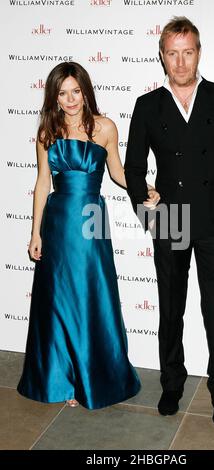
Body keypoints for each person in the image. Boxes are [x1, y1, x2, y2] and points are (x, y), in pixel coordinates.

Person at [124, 17, 214, 427]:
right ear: (162, 56)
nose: (180, 62)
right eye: (172, 53)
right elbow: (133, 166)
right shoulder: (148, 105)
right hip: (171, 218)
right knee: (170, 309)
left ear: (199, 52)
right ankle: (172, 385)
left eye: (188, 51)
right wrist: (146, 204)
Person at [17, 61, 160, 409]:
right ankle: (63, 379)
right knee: (59, 300)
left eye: (75, 91)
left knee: (89, 295)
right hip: (59, 220)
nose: (70, 99)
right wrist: (35, 232)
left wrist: (145, 188)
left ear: (85, 91)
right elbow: (41, 183)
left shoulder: (105, 127)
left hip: (91, 218)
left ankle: (90, 376)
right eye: (62, 93)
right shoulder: (46, 131)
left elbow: (118, 173)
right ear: (54, 96)